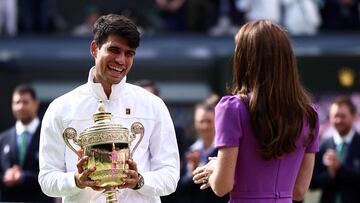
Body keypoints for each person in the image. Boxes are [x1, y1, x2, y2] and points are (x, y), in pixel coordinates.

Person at [38, 14, 180, 202]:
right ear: (95, 48)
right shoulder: (61, 108)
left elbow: (170, 175)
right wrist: (76, 181)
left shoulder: (153, 105)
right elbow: (47, 179)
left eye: (129, 53)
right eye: (114, 50)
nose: (121, 60)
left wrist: (139, 181)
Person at [192, 19, 319, 203]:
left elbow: (222, 187)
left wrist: (214, 168)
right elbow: (299, 191)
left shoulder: (232, 108)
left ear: (246, 58)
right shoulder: (309, 114)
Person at [0, 84, 54, 202]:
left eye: (25, 102)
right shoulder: (3, 139)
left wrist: (24, 177)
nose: (20, 107)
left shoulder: (49, 135)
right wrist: (6, 177)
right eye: (17, 102)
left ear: (36, 104)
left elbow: (55, 172)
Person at [177, 95, 228, 203]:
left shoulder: (224, 150)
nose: (205, 126)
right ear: (195, 123)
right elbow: (180, 189)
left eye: (209, 121)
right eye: (201, 121)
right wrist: (192, 171)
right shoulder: (189, 151)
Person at [310, 96, 360, 203]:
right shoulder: (324, 144)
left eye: (343, 116)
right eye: (335, 116)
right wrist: (329, 175)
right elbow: (312, 183)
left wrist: (340, 167)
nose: (338, 120)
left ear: (353, 116)